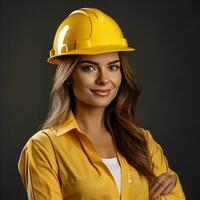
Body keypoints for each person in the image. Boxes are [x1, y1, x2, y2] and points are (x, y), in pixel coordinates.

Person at [18, 7, 186, 200]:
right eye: (89, 68)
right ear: (69, 75)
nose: (104, 79)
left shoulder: (142, 141)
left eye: (113, 67)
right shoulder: (43, 148)